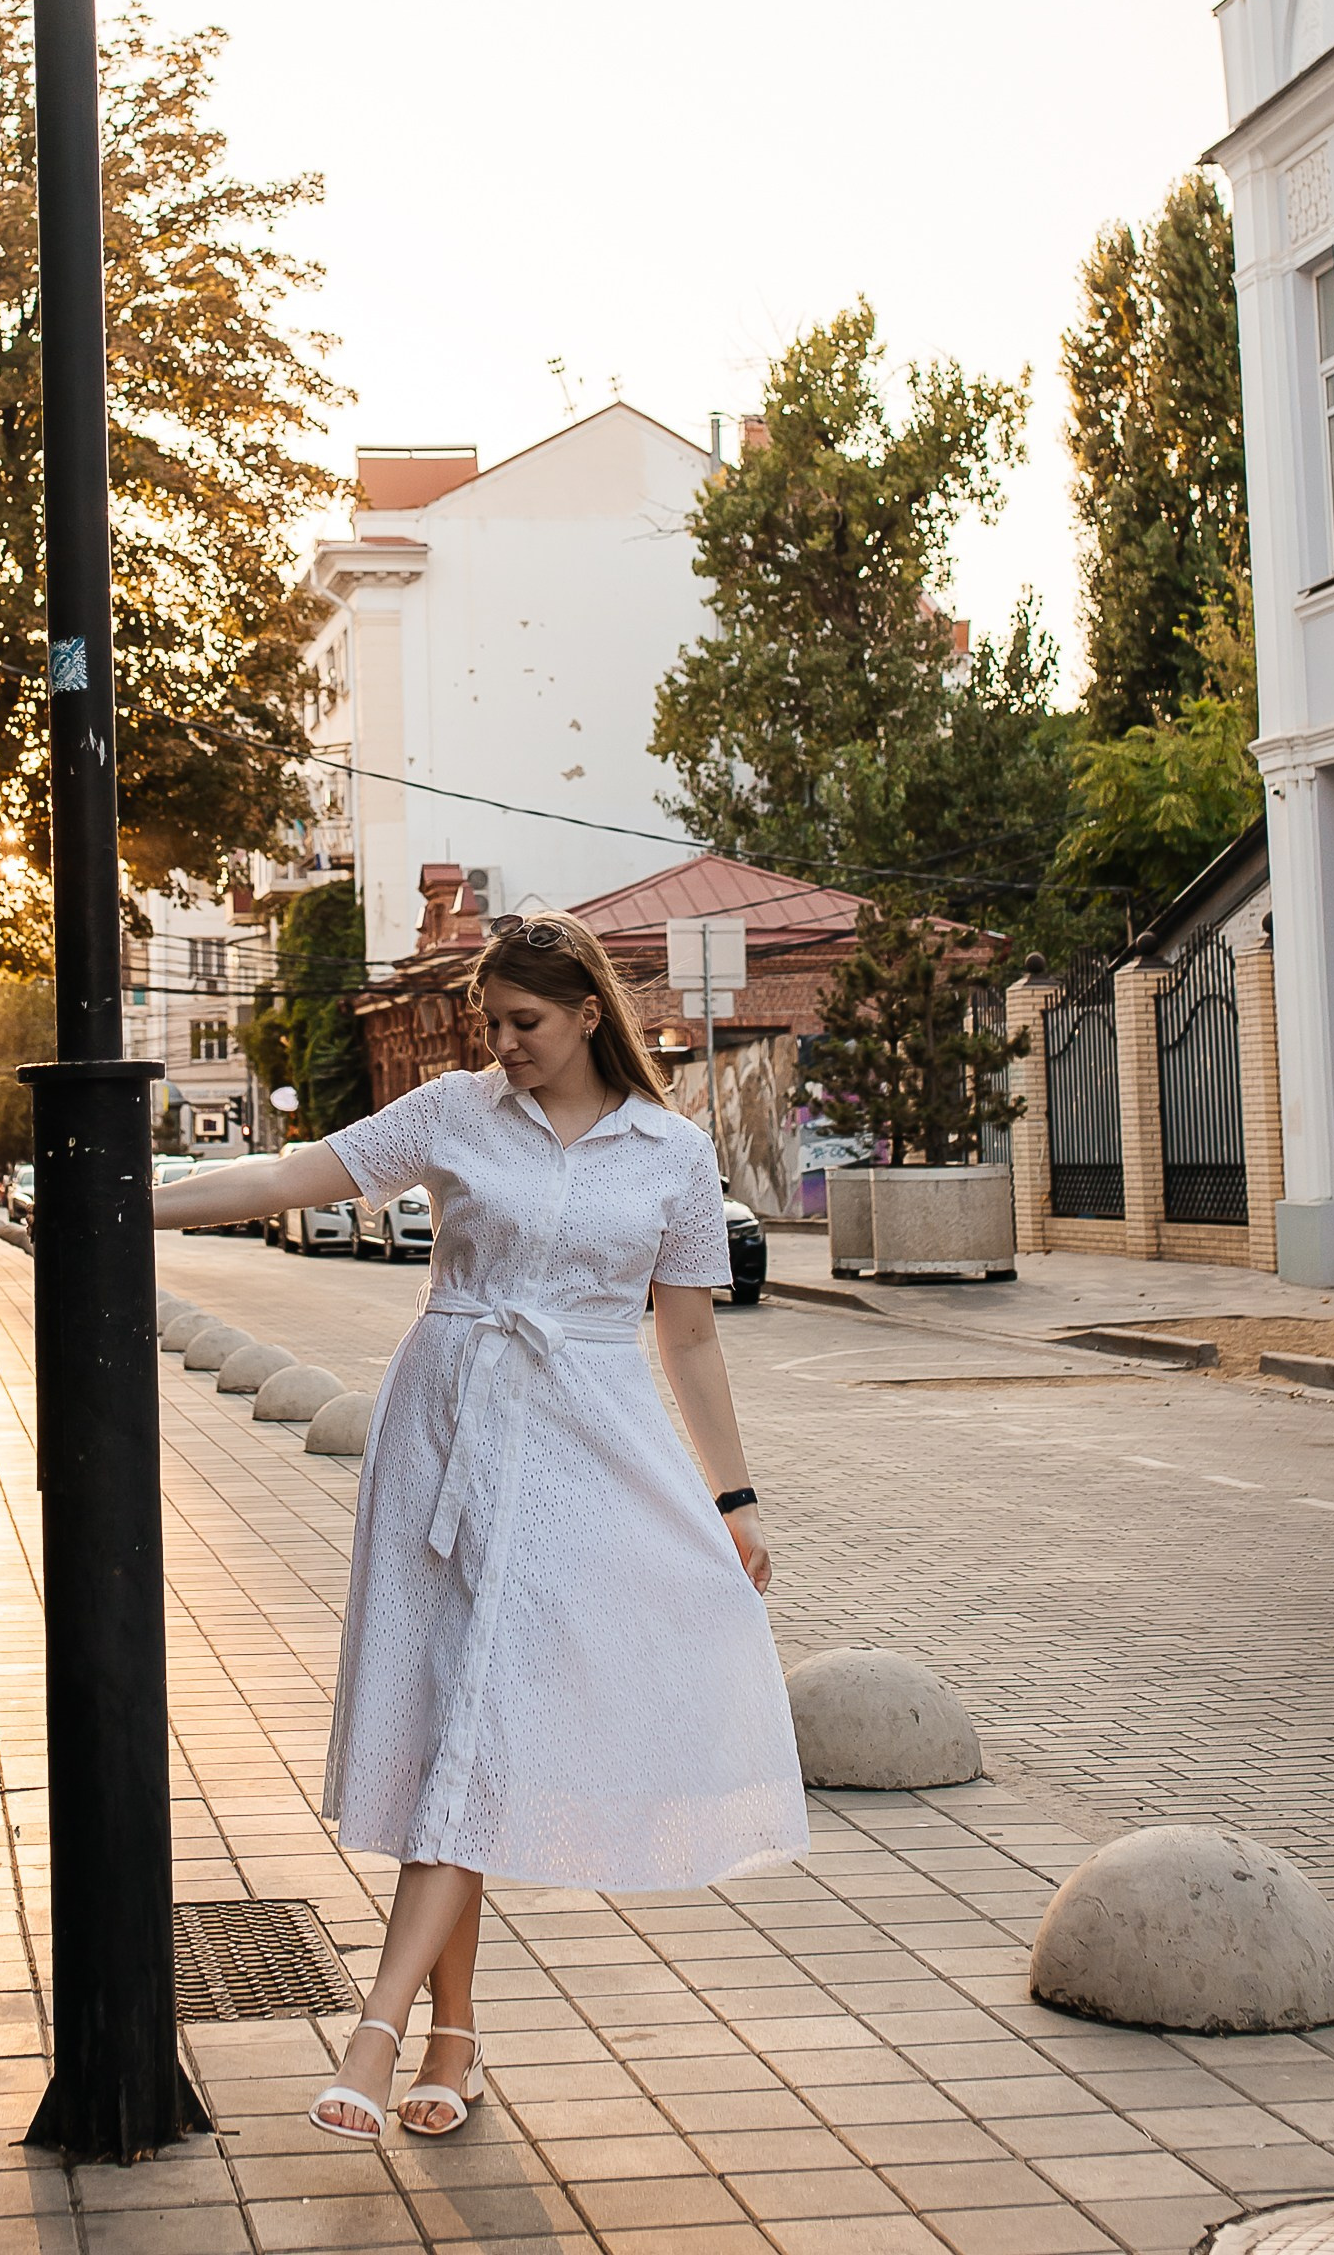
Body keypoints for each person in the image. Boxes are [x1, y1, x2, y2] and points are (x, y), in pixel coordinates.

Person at [151, 909, 806, 2144]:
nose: (499, 1045)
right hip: (442, 1432)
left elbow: (688, 1336)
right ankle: (450, 2043)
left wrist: (732, 1496)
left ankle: (377, 2030)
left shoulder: (668, 1151)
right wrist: (133, 1204)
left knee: (484, 1721)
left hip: (582, 1448)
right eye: (487, 1024)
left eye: (523, 1024)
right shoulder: (452, 1111)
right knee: (449, 1716)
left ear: (588, 1016)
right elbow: (297, 1177)